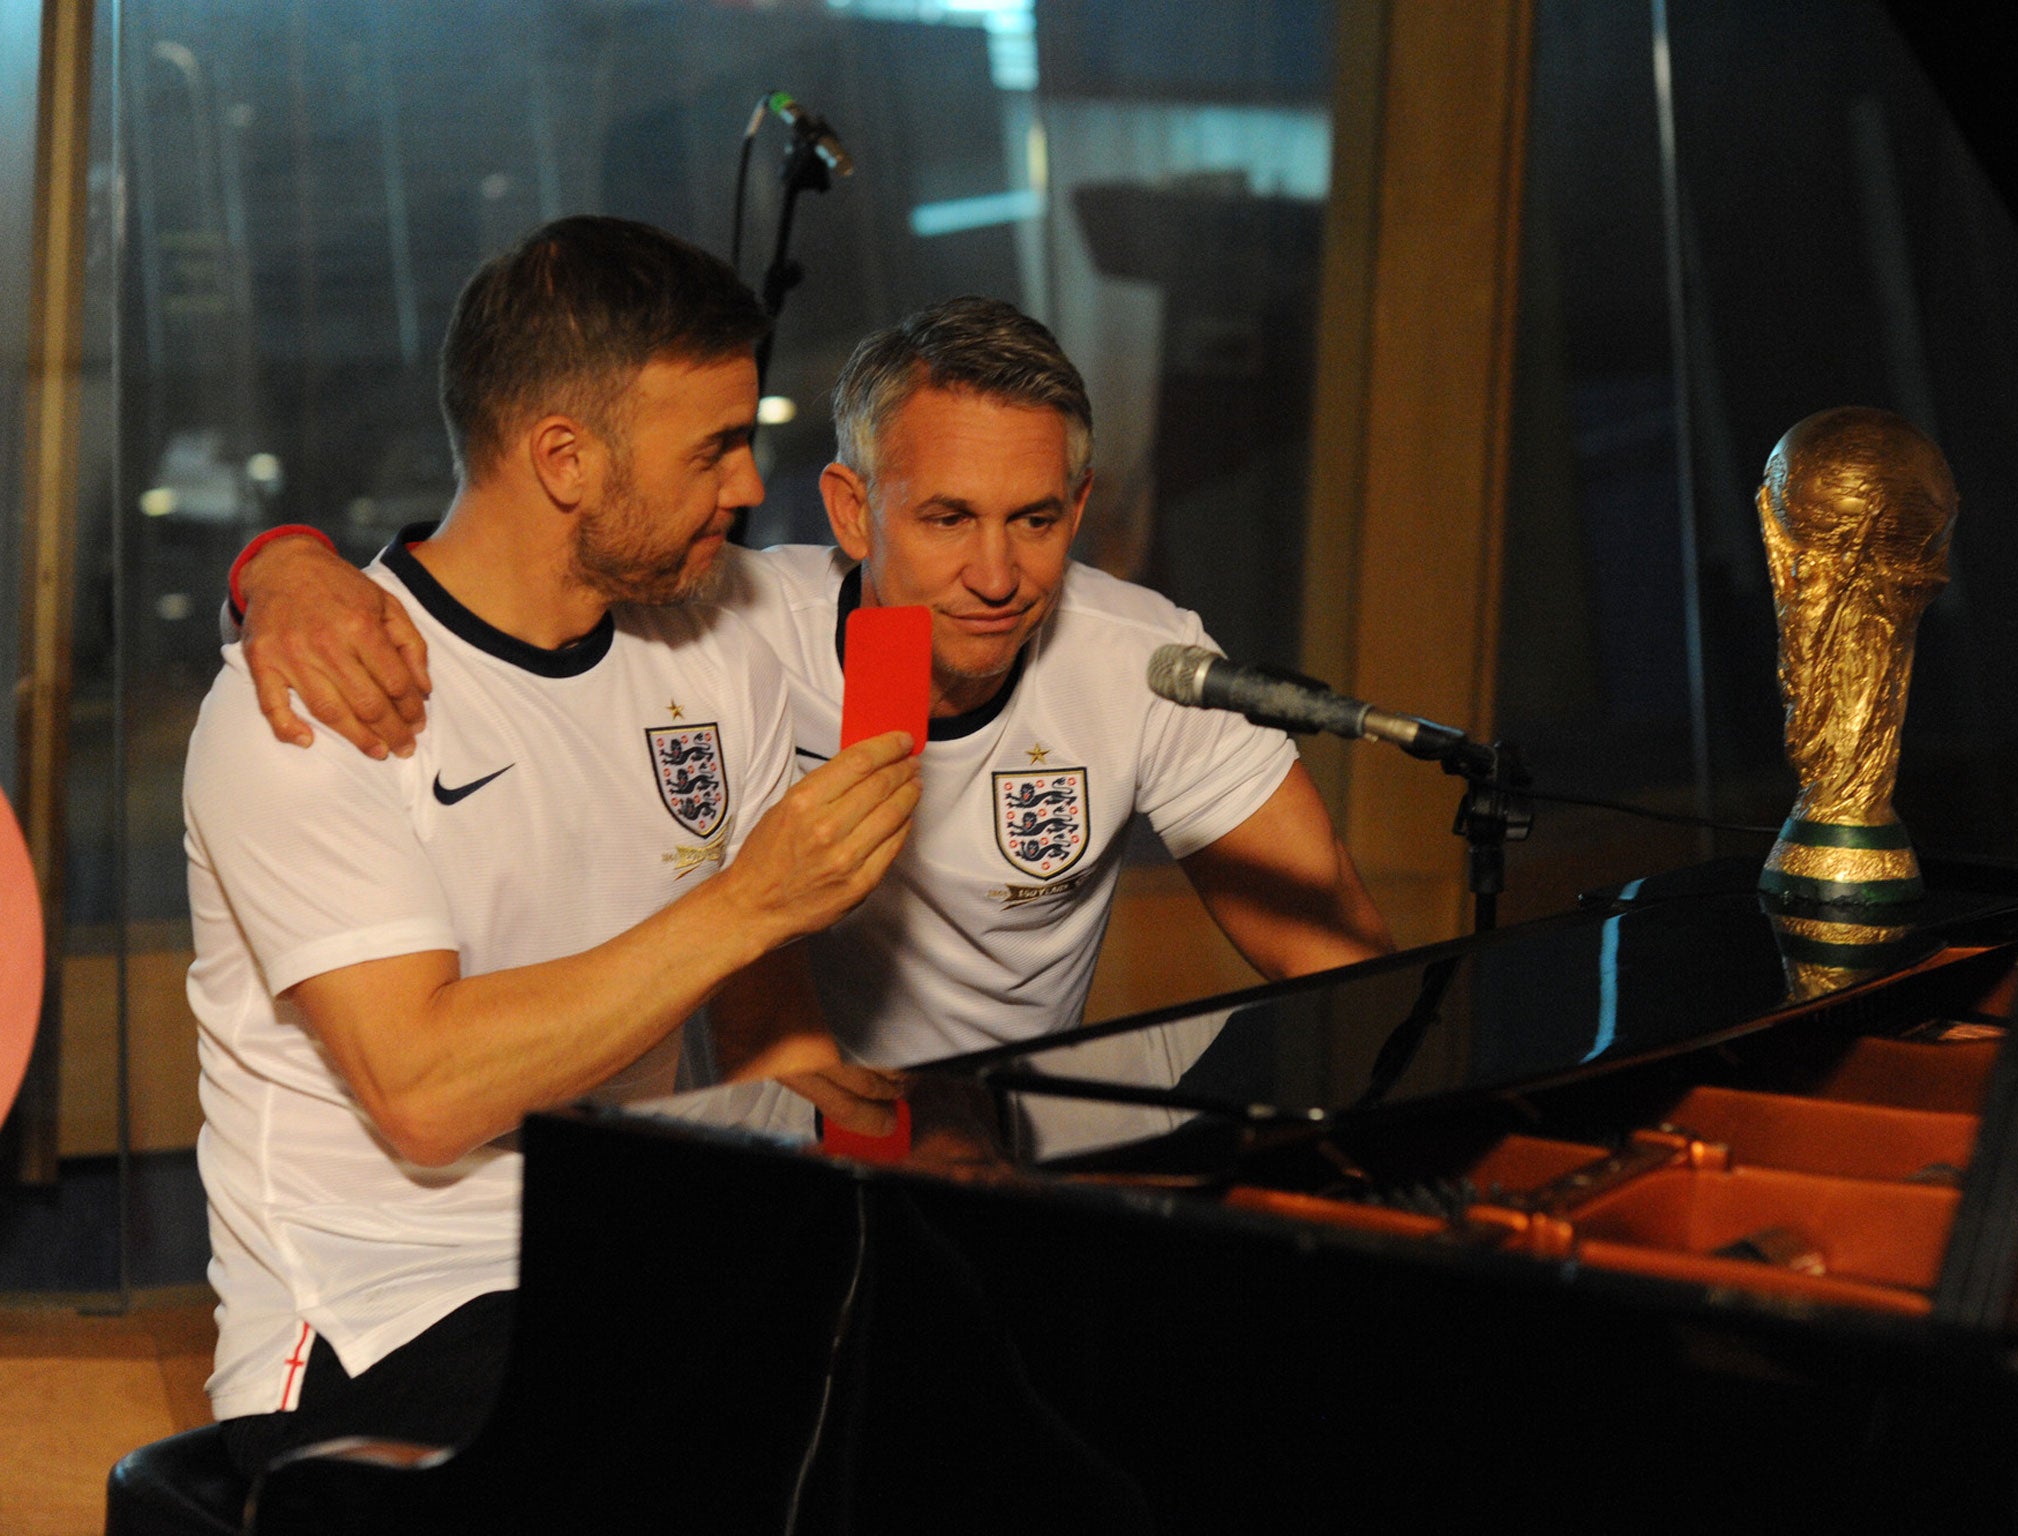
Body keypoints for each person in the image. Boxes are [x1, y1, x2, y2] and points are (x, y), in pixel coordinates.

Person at [183, 216, 920, 1477]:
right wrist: (751, 902)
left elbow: (757, 1010)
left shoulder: (711, 630)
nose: (748, 487)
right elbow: (423, 1095)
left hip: (628, 1260)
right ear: (564, 458)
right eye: (716, 449)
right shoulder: (316, 696)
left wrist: (888, 1156)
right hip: (387, 1311)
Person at [229, 297, 1391, 1084]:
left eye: (1033, 521)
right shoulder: (724, 623)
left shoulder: (1141, 658)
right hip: (782, 1132)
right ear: (849, 510)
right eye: (945, 520)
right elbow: (509, 571)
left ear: (1075, 514)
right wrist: (281, 562)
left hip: (1021, 1146)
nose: (995, 575)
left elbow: (1343, 972)